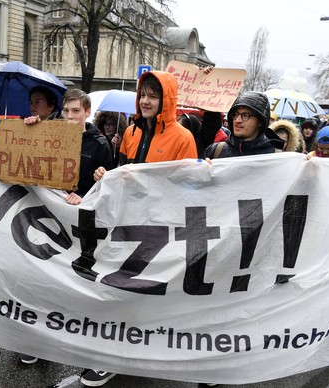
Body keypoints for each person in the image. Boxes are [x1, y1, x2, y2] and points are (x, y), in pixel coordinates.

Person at [90, 70, 197, 387]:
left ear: (166, 100)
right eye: (143, 94)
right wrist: (104, 175)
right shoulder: (131, 133)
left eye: (154, 95)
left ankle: (133, 354)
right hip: (125, 223)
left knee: (142, 296)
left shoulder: (183, 138)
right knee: (115, 290)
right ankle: (110, 356)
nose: (147, 100)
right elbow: (120, 172)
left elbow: (188, 190)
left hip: (158, 229)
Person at [205, 91, 283, 159]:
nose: (237, 120)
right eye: (235, 114)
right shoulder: (216, 151)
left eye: (245, 115)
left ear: (260, 122)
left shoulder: (276, 157)